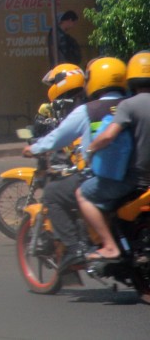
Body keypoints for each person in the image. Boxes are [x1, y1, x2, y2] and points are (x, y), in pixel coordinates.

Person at [23, 57, 128, 268]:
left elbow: (58, 137)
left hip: (102, 176)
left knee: (53, 193)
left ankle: (76, 249)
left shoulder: (87, 110)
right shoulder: (131, 103)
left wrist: (33, 148)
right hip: (135, 175)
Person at [81, 51, 150, 261]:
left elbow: (108, 136)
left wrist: (91, 149)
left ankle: (110, 246)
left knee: (83, 194)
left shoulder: (128, 105)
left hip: (135, 180)